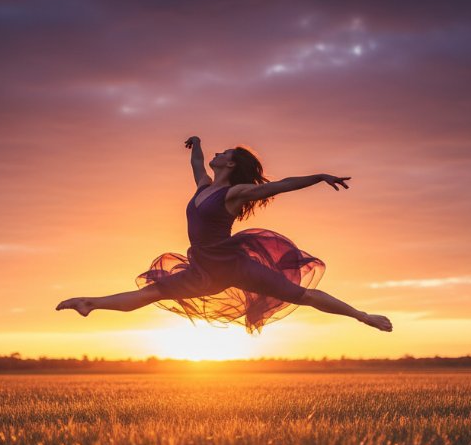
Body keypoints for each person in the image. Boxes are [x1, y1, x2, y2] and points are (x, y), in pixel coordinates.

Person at [56, 136, 393, 333]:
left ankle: (363, 317)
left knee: (299, 295)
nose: (217, 155)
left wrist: (319, 176)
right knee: (153, 292)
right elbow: (197, 165)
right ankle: (90, 303)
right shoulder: (204, 186)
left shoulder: (235, 193)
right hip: (203, 268)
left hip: (232, 264)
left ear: (230, 165)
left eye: (223, 154)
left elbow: (281, 185)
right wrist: (198, 144)